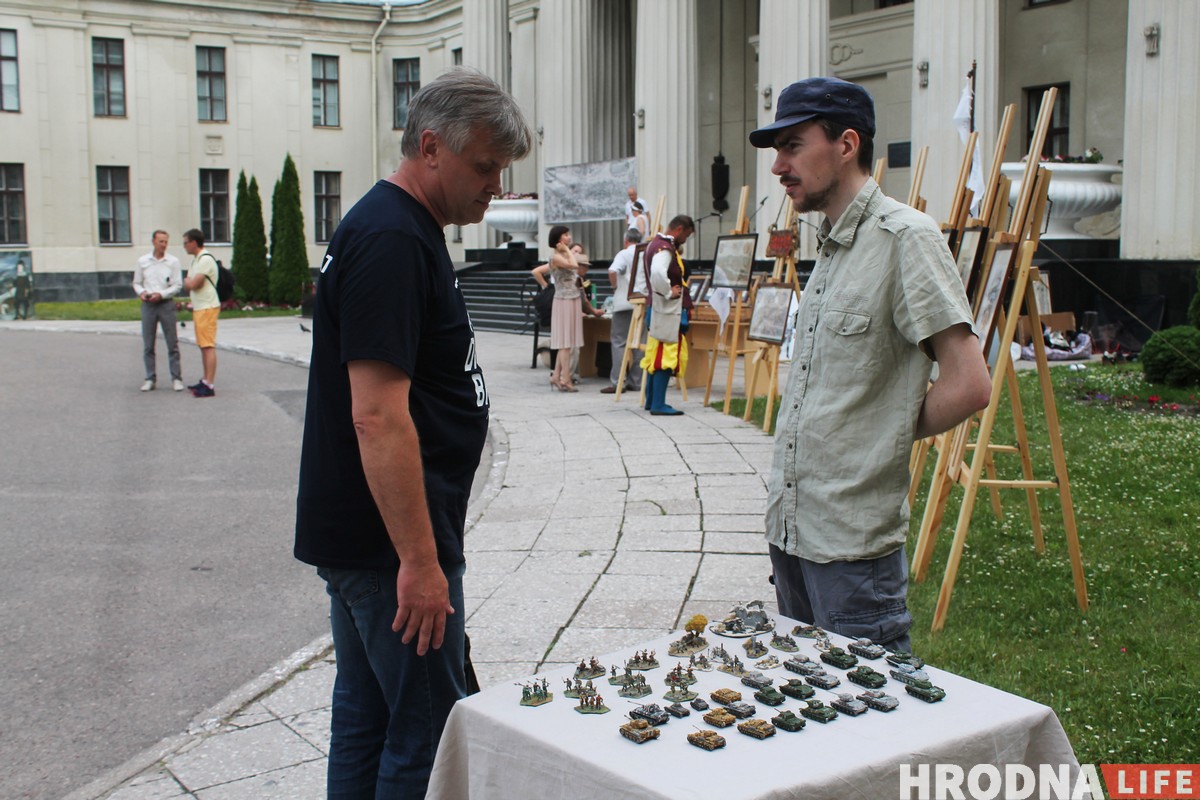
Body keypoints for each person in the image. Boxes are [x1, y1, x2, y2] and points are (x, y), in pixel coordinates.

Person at [294, 67, 532, 800]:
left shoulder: (400, 227)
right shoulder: (392, 238)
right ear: (432, 147)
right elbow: (376, 414)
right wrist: (420, 563)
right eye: (486, 166)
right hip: (389, 547)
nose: (496, 186)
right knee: (426, 736)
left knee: (367, 719)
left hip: (372, 541)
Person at [749, 77, 991, 652]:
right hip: (792, 532)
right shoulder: (831, 244)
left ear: (847, 144)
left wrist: (883, 432)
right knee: (807, 709)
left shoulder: (905, 238)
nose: (779, 165)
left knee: (873, 722)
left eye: (792, 145)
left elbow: (969, 384)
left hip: (853, 548)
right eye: (777, 150)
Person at [531, 226, 601, 392]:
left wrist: (567, 251)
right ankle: (565, 379)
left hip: (572, 298)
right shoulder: (556, 257)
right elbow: (574, 265)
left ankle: (556, 376)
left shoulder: (562, 255)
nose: (569, 237)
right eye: (566, 235)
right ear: (558, 239)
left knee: (568, 341)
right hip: (564, 300)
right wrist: (547, 286)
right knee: (565, 342)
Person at [640, 214, 694, 415]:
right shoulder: (665, 248)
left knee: (655, 353)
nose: (685, 240)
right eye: (686, 235)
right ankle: (658, 404)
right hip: (667, 311)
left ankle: (651, 400)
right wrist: (668, 291)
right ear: (679, 229)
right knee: (665, 355)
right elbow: (657, 273)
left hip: (657, 309)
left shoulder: (654, 244)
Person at [132, 230, 184, 392]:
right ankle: (150, 377)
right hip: (148, 304)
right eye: (161, 241)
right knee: (148, 343)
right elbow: (137, 282)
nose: (163, 245)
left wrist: (161, 294)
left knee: (172, 342)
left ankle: (176, 378)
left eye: (166, 242)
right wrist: (142, 293)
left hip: (165, 303)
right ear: (153, 242)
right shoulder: (143, 261)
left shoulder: (173, 262)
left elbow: (177, 285)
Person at [603, 227, 644, 394]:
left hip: (624, 302)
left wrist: (615, 286)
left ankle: (618, 381)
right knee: (640, 342)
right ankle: (637, 380)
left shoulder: (624, 253)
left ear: (626, 240)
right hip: (642, 301)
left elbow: (612, 270)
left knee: (619, 341)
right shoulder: (645, 253)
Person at [181, 228, 220, 398]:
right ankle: (205, 380)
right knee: (203, 346)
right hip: (200, 306)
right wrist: (188, 282)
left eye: (186, 243)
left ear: (194, 242)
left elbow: (193, 284)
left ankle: (209, 384)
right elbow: (190, 282)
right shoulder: (196, 260)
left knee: (208, 345)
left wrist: (188, 282)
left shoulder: (205, 259)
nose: (184, 246)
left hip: (207, 307)